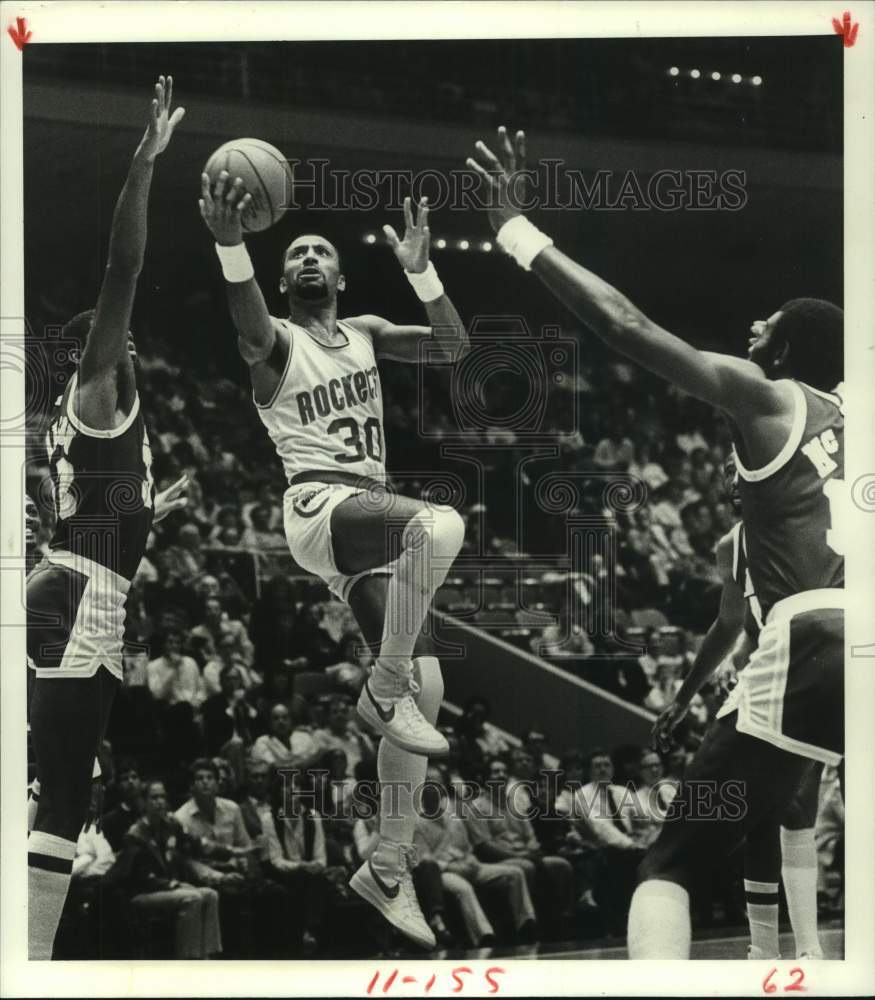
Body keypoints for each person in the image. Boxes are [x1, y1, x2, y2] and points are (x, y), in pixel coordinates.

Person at [467, 127, 844, 958]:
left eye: (766, 321)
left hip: (815, 632)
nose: (751, 323)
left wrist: (516, 232)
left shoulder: (771, 397)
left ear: (783, 352)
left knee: (667, 862)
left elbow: (627, 325)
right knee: (780, 803)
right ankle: (795, 959)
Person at [199, 177, 469, 947]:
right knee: (441, 526)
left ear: (341, 277)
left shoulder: (368, 330)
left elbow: (454, 349)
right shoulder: (276, 341)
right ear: (284, 281)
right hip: (321, 503)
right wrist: (229, 244)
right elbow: (250, 334)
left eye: (322, 250)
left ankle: (386, 866)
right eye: (297, 255)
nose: (310, 258)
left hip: (368, 523)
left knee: (432, 680)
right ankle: (380, 690)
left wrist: (424, 273)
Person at [26, 76, 187, 959]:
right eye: (120, 338)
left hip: (71, 581)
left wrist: (148, 509)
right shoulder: (96, 388)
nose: (131, 346)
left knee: (58, 780)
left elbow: (90, 510)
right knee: (64, 797)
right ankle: (33, 962)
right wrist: (143, 165)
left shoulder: (98, 428)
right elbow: (120, 269)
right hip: (82, 596)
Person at [652, 455, 824, 959]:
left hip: (817, 666)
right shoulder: (733, 544)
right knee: (759, 812)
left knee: (795, 805)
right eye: (726, 469)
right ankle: (764, 951)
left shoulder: (806, 520)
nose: (731, 477)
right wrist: (682, 698)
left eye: (738, 467)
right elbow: (729, 625)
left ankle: (809, 948)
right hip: (765, 673)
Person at [118, 780, 222, 959]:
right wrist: (176, 885)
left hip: (169, 889)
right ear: (144, 802)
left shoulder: (171, 826)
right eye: (154, 797)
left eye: (163, 797)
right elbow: (142, 878)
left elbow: (194, 846)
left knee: (210, 894)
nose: (160, 802)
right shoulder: (135, 834)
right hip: (142, 893)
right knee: (193, 897)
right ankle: (188, 958)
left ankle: (207, 954)